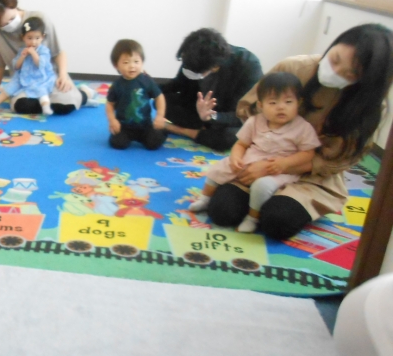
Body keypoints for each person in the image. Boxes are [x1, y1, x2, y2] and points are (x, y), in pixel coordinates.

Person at [207, 23, 393, 239]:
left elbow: (338, 159)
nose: (335, 72)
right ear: (333, 45)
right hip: (261, 157)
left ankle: (277, 202)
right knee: (222, 212)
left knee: (277, 222)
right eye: (335, 60)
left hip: (311, 174)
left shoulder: (369, 106)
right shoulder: (294, 68)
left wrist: (278, 166)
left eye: (350, 74)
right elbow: (249, 110)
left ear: (366, 81)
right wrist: (257, 155)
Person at [189, 72, 320, 233]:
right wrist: (235, 157)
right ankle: (205, 198)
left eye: (288, 102)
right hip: (250, 160)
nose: (281, 107)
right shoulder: (255, 121)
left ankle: (252, 218)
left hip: (279, 170)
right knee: (219, 167)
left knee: (261, 186)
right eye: (273, 102)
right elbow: (241, 144)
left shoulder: (303, 128)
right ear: (260, 105)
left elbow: (308, 154)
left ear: (299, 103)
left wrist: (285, 163)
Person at [0, 0, 98, 115]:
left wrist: (63, 76)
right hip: (23, 81)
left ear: (14, 6)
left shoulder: (39, 19)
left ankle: (83, 94)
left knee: (67, 106)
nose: (10, 25)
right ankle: (60, 101)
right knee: (21, 106)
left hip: (49, 77)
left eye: (12, 18)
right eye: (4, 25)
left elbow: (57, 52)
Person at [161, 28, 263, 152]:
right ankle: (204, 131)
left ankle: (181, 130)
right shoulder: (193, 56)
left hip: (224, 117)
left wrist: (211, 116)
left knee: (233, 135)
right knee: (162, 101)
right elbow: (176, 85)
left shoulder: (249, 65)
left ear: (215, 67)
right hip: (197, 110)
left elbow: (243, 114)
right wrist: (147, 84)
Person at [0, 16, 57, 115]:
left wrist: (33, 53)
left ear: (42, 37)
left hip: (39, 78)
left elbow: (41, 64)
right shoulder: (22, 50)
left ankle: (45, 107)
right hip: (22, 77)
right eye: (29, 38)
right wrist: (22, 56)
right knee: (9, 89)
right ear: (23, 37)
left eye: (37, 38)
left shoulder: (43, 50)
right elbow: (16, 66)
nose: (33, 42)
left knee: (41, 90)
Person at [105, 39, 167, 151]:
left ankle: (164, 130)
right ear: (116, 65)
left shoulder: (146, 81)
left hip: (146, 126)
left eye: (136, 61)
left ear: (142, 62)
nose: (132, 66)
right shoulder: (117, 85)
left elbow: (159, 97)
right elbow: (110, 104)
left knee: (154, 143)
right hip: (124, 127)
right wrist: (112, 120)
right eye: (126, 62)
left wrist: (160, 115)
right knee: (117, 143)